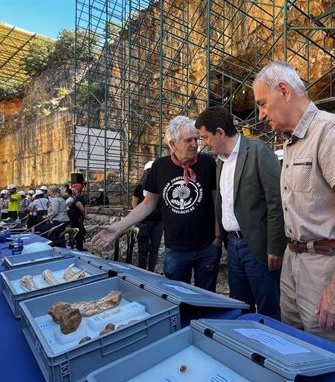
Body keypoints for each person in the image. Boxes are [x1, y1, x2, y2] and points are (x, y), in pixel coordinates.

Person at [252, 61, 335, 349]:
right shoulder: (291, 142)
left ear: (284, 90)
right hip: (294, 259)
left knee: (331, 351)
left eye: (263, 104)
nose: (260, 115)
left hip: (325, 263)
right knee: (295, 345)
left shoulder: (332, 132)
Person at [93, 116, 221, 292]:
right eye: (188, 140)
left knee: (207, 299)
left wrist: (217, 237)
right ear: (173, 144)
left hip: (207, 248)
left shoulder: (207, 163)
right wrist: (118, 227)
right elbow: (147, 204)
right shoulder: (160, 167)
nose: (195, 144)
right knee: (176, 299)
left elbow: (216, 202)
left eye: (195, 139)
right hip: (175, 251)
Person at [195, 106, 287, 320]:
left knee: (268, 308)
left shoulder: (257, 152)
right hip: (233, 245)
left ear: (219, 132)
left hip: (258, 246)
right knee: (240, 305)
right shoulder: (222, 162)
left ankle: (269, 349)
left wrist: (275, 246)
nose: (205, 144)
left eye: (206, 137)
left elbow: (276, 201)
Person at [132, 161, 164, 272]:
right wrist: (137, 218)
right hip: (143, 222)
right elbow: (134, 204)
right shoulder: (139, 188)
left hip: (158, 222)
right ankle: (142, 271)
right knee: (143, 249)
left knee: (154, 249)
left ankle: (151, 271)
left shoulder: (160, 187)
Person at [67, 184, 87, 250]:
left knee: (79, 232)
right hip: (75, 218)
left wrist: (84, 216)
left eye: (74, 189)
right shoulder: (78, 197)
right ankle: (76, 245)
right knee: (78, 231)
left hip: (76, 218)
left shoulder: (78, 198)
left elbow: (82, 209)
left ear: (77, 190)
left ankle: (78, 246)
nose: (73, 190)